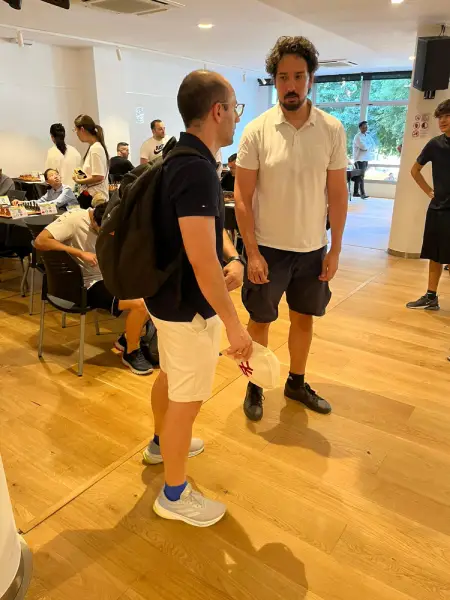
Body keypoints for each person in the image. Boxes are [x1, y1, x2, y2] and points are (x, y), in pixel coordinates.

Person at [143, 70, 252, 527]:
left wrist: (234, 256)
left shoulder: (178, 156)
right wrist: (235, 325)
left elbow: (207, 235)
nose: (237, 117)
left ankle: (160, 445)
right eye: (235, 108)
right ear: (218, 111)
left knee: (172, 377)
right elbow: (202, 260)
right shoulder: (197, 169)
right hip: (186, 308)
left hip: (165, 299)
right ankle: (174, 494)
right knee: (186, 402)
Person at [235, 35, 348, 422]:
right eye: (283, 77)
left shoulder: (332, 129)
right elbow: (242, 197)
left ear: (311, 78)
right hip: (267, 249)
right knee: (259, 321)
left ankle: (296, 383)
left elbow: (338, 194)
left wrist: (335, 249)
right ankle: (254, 385)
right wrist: (251, 252)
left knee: (303, 318)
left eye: (299, 76)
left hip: (312, 249)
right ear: (275, 81)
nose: (291, 85)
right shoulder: (257, 130)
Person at [35, 204, 153, 375]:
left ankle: (127, 339)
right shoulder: (74, 219)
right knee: (139, 305)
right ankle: (131, 351)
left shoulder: (111, 221)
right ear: (95, 222)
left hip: (107, 276)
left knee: (152, 294)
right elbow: (40, 241)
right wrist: (79, 253)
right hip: (85, 285)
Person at [407, 99, 450, 312]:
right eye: (440, 117)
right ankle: (431, 297)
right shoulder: (435, 144)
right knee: (435, 255)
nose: (442, 121)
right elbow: (414, 170)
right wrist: (429, 192)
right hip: (438, 209)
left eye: (447, 116)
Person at [73, 115, 109, 207]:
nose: (76, 133)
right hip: (92, 196)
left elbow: (99, 176)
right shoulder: (95, 147)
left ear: (82, 129)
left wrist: (79, 181)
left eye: (75, 130)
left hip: (95, 198)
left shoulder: (96, 148)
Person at [12, 168, 78, 210]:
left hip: (73, 215)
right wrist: (22, 203)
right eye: (51, 175)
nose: (55, 176)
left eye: (57, 174)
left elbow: (57, 203)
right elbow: (39, 201)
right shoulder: (50, 191)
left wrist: (38, 206)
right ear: (47, 181)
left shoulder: (67, 189)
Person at [45, 123, 82, 190]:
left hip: (59, 192)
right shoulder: (74, 151)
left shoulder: (51, 152)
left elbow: (49, 175)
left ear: (52, 137)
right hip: (74, 191)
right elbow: (81, 173)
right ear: (64, 136)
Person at [353, 121, 375, 199]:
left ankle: (355, 193)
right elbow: (363, 147)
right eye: (363, 127)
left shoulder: (368, 136)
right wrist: (368, 146)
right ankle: (362, 194)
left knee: (359, 176)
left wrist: (367, 146)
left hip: (366, 158)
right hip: (359, 159)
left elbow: (373, 145)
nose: (365, 128)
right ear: (360, 128)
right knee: (361, 176)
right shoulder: (357, 137)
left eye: (366, 127)